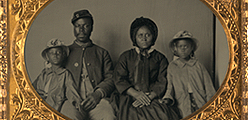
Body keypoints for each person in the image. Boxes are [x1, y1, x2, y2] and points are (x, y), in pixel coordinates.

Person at [114, 17, 179, 120]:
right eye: (140, 35)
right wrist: (136, 94)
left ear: (153, 37)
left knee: (161, 113)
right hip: (130, 96)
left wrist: (149, 97)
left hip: (152, 96)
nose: (144, 38)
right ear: (134, 37)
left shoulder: (160, 58)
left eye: (147, 35)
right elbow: (119, 79)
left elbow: (162, 80)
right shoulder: (126, 56)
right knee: (130, 113)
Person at [61, 9, 116, 120]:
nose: (81, 30)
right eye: (77, 26)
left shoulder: (102, 53)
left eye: (86, 26)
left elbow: (111, 78)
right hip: (72, 101)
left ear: (92, 28)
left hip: (98, 100)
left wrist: (98, 94)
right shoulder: (64, 52)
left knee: (108, 116)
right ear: (73, 28)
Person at [162, 30, 216, 118]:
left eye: (186, 46)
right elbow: (170, 86)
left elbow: (208, 86)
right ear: (175, 49)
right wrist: (167, 98)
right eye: (180, 46)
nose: (183, 49)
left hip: (199, 100)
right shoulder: (172, 67)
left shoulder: (198, 66)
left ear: (191, 48)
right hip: (182, 102)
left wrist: (211, 103)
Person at [32, 38, 82, 116]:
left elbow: (71, 90)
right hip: (40, 104)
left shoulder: (65, 74)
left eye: (58, 52)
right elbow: (32, 88)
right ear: (47, 57)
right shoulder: (44, 73)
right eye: (52, 53)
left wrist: (77, 103)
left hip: (54, 105)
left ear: (63, 55)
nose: (55, 55)